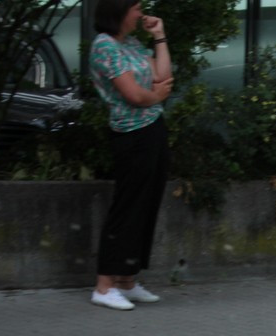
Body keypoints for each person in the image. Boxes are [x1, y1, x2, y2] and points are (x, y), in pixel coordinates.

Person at [88, 0, 173, 311]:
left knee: (146, 205)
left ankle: (127, 279)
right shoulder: (104, 47)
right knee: (127, 206)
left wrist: (160, 36)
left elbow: (162, 75)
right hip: (131, 134)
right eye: (136, 8)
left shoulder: (132, 44)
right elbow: (134, 95)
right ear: (119, 12)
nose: (141, 14)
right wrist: (156, 96)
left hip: (152, 129)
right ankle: (104, 285)